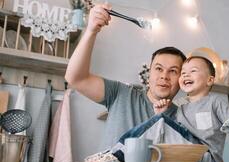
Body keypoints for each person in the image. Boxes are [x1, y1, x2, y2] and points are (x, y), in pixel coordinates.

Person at [82, 51, 229, 162]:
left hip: (204, 157)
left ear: (210, 80)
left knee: (159, 122)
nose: (186, 75)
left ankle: (116, 155)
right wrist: (159, 113)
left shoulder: (214, 102)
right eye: (183, 73)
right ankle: (119, 156)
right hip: (184, 155)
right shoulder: (181, 106)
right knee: (159, 124)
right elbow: (169, 133)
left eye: (193, 71)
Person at [65, 4, 186, 150]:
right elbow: (76, 78)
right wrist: (91, 31)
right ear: (149, 73)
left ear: (181, 79)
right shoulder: (121, 94)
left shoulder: (183, 119)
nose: (164, 76)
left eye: (173, 71)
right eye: (159, 69)